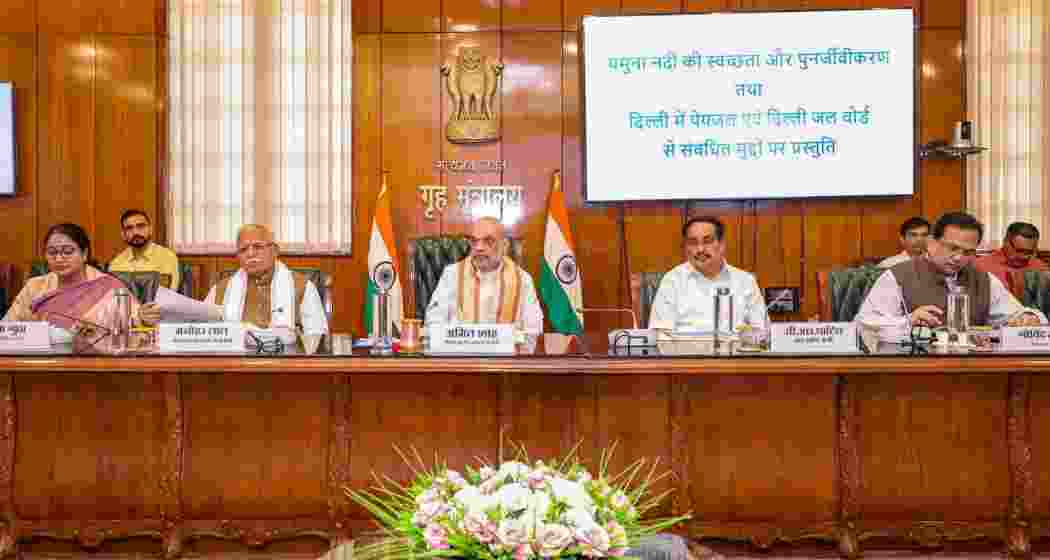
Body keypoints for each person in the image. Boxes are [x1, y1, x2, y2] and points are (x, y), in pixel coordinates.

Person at [856, 211, 1044, 343]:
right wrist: (908, 321)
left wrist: (1028, 318)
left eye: (968, 252)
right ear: (931, 243)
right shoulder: (897, 276)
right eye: (952, 248)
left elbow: (1017, 315)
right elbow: (863, 325)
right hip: (914, 369)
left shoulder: (984, 279)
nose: (959, 258)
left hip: (974, 371)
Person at [3, 223, 142, 344]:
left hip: (95, 358)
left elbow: (136, 323)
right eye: (52, 252)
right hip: (43, 358)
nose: (59, 258)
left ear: (84, 254)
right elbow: (7, 328)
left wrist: (144, 318)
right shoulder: (34, 286)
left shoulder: (109, 286)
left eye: (68, 252)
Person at [425, 216, 544, 336]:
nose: (479, 248)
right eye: (474, 241)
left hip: (506, 353)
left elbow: (533, 330)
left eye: (488, 241)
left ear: (505, 246)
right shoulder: (452, 275)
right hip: (460, 351)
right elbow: (433, 322)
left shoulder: (523, 280)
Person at [199, 224, 328, 335]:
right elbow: (202, 333)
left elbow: (316, 337)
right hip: (234, 361)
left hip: (285, 361)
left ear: (275, 251)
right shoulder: (220, 290)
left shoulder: (303, 287)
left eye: (258, 247)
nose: (250, 254)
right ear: (238, 257)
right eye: (243, 249)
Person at [649, 216, 768, 331]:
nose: (700, 249)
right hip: (685, 351)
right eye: (693, 243)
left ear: (722, 244)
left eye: (707, 241)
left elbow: (762, 332)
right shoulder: (672, 280)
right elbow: (661, 335)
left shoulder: (745, 281)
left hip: (734, 350)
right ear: (686, 248)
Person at [108, 209, 181, 290]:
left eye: (141, 226)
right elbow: (115, 297)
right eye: (129, 228)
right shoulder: (116, 264)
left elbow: (168, 294)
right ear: (123, 235)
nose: (135, 232)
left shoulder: (166, 257)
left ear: (150, 229)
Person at [975, 221, 1048, 294]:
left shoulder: (1040, 267)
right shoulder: (981, 266)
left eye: (1029, 252)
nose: (1024, 257)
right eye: (1020, 251)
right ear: (1005, 242)